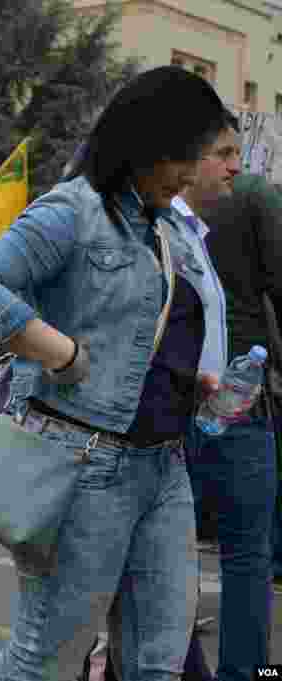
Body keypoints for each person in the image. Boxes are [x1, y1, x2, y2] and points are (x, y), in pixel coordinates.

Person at [0, 66, 233, 681]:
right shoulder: (73, 210)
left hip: (165, 466)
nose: (192, 174)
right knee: (40, 666)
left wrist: (188, 384)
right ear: (148, 145)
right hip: (87, 467)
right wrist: (61, 353)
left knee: (158, 665)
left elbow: (132, 331)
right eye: (188, 156)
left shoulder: (161, 226)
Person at [81, 113, 240, 681]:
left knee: (154, 612)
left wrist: (206, 384)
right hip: (125, 441)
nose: (236, 166)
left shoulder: (191, 234)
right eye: (223, 153)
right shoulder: (128, 223)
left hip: (173, 431)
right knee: (47, 646)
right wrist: (65, 357)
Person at [191, 170, 281, 681]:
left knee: (158, 549)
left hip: (166, 395)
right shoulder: (251, 194)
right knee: (246, 553)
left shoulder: (148, 191)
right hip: (238, 393)